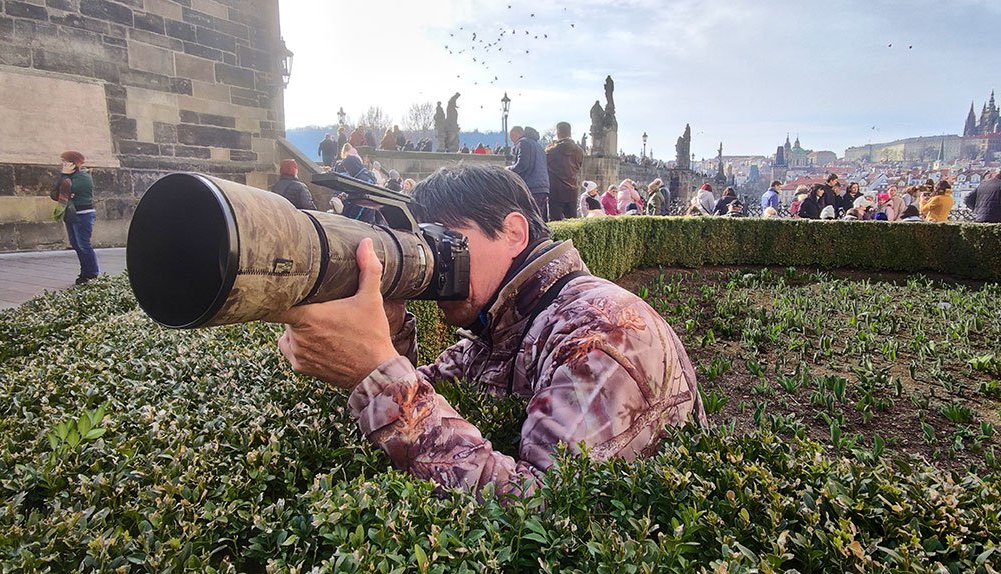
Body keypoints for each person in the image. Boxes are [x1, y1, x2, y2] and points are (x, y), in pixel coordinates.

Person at [271, 165, 706, 498]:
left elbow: (542, 511)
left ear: (513, 232)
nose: (433, 264)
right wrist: (386, 333)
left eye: (444, 242)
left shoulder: (602, 332)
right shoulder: (500, 326)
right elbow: (425, 402)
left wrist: (376, 372)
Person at [54, 151, 100, 284]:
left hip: (83, 214)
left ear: (73, 163)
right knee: (76, 244)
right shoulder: (67, 177)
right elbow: (54, 193)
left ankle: (91, 274)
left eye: (64, 161)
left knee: (83, 244)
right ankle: (85, 272)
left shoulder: (83, 177)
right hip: (71, 214)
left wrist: (64, 182)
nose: (62, 164)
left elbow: (64, 190)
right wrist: (64, 180)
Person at [545, 122, 584, 221]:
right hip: (572, 190)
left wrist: (548, 148)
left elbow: (544, 163)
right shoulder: (579, 151)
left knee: (555, 222)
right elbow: (579, 166)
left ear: (558, 133)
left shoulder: (552, 151)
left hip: (556, 190)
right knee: (572, 222)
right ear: (570, 133)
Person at [507, 126, 550, 215]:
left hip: (531, 186)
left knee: (529, 217)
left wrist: (508, 169)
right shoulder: (537, 145)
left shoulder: (523, 142)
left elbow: (522, 165)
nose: (513, 142)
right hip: (543, 186)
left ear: (516, 134)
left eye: (512, 138)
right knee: (540, 217)